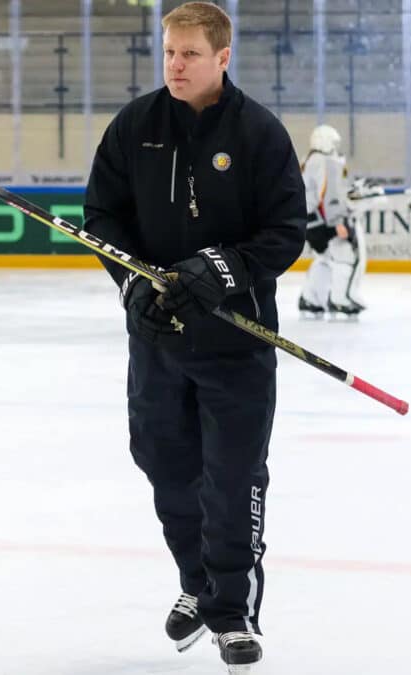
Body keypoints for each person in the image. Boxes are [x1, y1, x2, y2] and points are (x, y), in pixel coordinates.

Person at [82, 2, 306, 670]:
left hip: (236, 340)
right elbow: (103, 215)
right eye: (169, 52)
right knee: (163, 462)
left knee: (232, 479)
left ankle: (233, 611)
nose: (175, 65)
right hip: (158, 339)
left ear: (223, 58)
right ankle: (197, 583)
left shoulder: (259, 133)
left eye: (190, 55)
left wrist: (217, 269)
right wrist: (135, 286)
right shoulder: (136, 125)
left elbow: (285, 231)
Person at [296, 125, 370, 318]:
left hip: (309, 220)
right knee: (345, 258)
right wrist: (338, 221)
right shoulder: (324, 161)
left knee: (325, 259)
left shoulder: (309, 160)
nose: (335, 147)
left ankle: (310, 299)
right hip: (323, 221)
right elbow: (329, 194)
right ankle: (340, 299)